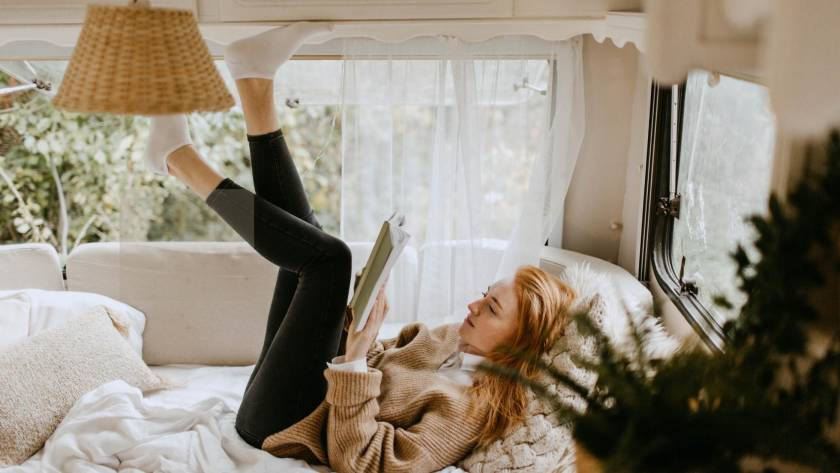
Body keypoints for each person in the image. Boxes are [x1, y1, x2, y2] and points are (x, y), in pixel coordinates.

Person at [142, 22, 577, 473]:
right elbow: (373, 359)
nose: (473, 304)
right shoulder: (451, 340)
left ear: (519, 345)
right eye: (486, 295)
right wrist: (359, 329)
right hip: (302, 391)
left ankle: (180, 158)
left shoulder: (468, 410)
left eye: (491, 309)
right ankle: (254, 84)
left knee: (329, 259)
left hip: (283, 425)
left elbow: (364, 462)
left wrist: (353, 357)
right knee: (307, 244)